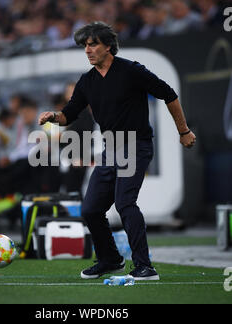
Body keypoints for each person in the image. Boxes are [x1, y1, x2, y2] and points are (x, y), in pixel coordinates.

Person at [38, 21, 196, 281]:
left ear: (108, 46)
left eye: (93, 45)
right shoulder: (87, 81)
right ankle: (110, 259)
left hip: (136, 145)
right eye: (85, 46)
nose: (88, 50)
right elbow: (69, 114)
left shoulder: (131, 71)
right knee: (90, 209)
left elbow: (169, 94)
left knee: (124, 203)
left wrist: (183, 131)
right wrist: (53, 116)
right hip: (109, 150)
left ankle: (145, 266)